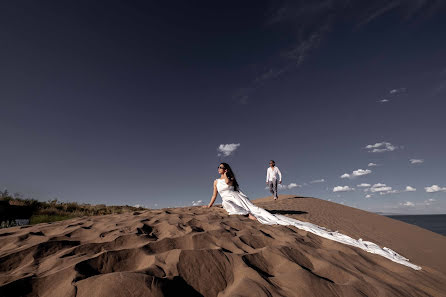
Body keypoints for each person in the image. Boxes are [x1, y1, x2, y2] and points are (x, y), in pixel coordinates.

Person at [202, 163, 421, 270]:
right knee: (230, 209)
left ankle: (252, 214)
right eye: (219, 167)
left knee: (249, 210)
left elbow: (233, 189)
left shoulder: (230, 179)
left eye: (223, 167)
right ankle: (248, 214)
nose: (220, 169)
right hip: (226, 202)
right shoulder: (214, 181)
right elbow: (214, 195)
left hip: (235, 198)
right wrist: (209, 206)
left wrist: (231, 181)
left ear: (226, 170)